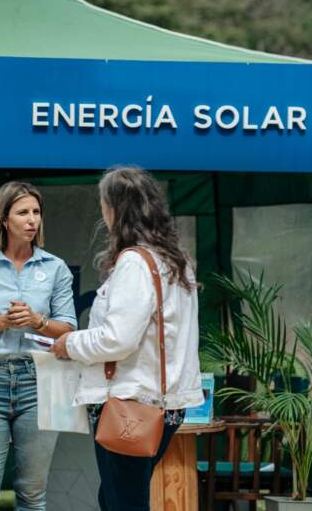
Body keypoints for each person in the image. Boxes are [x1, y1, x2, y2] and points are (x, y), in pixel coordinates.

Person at [50, 166, 203, 511]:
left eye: (104, 204)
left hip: (130, 401)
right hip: (163, 403)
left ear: (115, 209)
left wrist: (69, 344)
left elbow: (118, 339)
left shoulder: (135, 262)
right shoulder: (176, 260)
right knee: (116, 497)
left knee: (124, 501)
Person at [0, 181, 78, 511]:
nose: (32, 220)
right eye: (23, 212)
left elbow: (68, 329)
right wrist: (3, 322)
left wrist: (37, 321)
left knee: (32, 495)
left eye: (36, 212)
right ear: (4, 219)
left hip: (38, 382)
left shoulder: (55, 268)